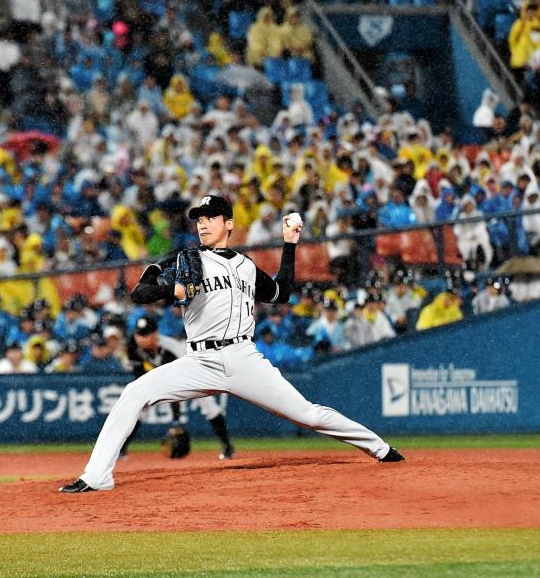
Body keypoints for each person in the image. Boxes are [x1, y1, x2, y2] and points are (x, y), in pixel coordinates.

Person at [59, 195, 404, 493]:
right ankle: (97, 475)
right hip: (199, 361)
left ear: (229, 224)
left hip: (243, 358)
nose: (203, 224)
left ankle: (380, 448)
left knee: (308, 414)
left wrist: (289, 244)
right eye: (199, 219)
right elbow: (140, 293)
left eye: (211, 218)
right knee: (135, 392)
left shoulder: (246, 266)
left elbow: (281, 293)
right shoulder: (187, 259)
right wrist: (164, 281)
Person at [119, 315, 235, 460]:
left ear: (156, 334)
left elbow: (177, 385)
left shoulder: (172, 349)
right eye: (139, 334)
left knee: (209, 406)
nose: (141, 338)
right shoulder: (132, 346)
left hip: (194, 371)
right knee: (139, 407)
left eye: (145, 334)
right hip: (160, 375)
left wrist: (176, 419)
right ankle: (121, 449)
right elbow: (141, 377)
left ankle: (227, 446)